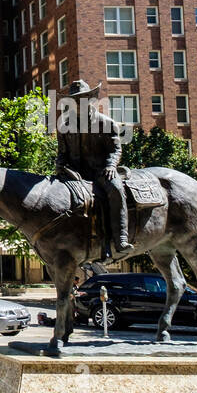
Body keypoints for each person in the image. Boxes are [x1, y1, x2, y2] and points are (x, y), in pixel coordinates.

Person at [57, 79, 132, 258]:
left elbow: (115, 149)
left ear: (91, 99)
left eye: (82, 98)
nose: (78, 103)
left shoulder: (107, 123)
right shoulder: (64, 126)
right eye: (75, 100)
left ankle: (121, 236)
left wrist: (110, 166)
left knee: (115, 189)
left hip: (101, 171)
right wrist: (60, 165)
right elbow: (62, 153)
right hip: (74, 173)